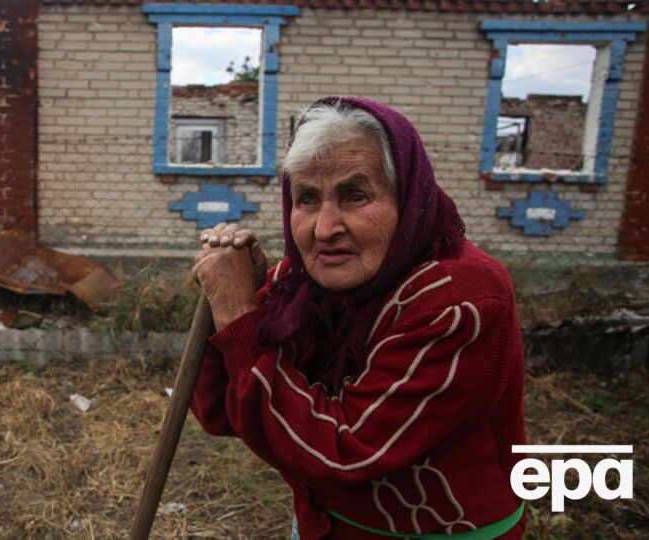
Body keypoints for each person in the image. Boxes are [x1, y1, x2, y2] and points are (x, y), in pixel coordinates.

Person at [191, 97, 526, 539]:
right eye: (307, 198)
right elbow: (222, 411)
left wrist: (237, 312)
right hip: (320, 524)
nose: (325, 228)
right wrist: (239, 300)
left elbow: (345, 450)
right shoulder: (304, 282)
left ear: (407, 196)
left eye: (355, 196)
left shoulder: (461, 300)